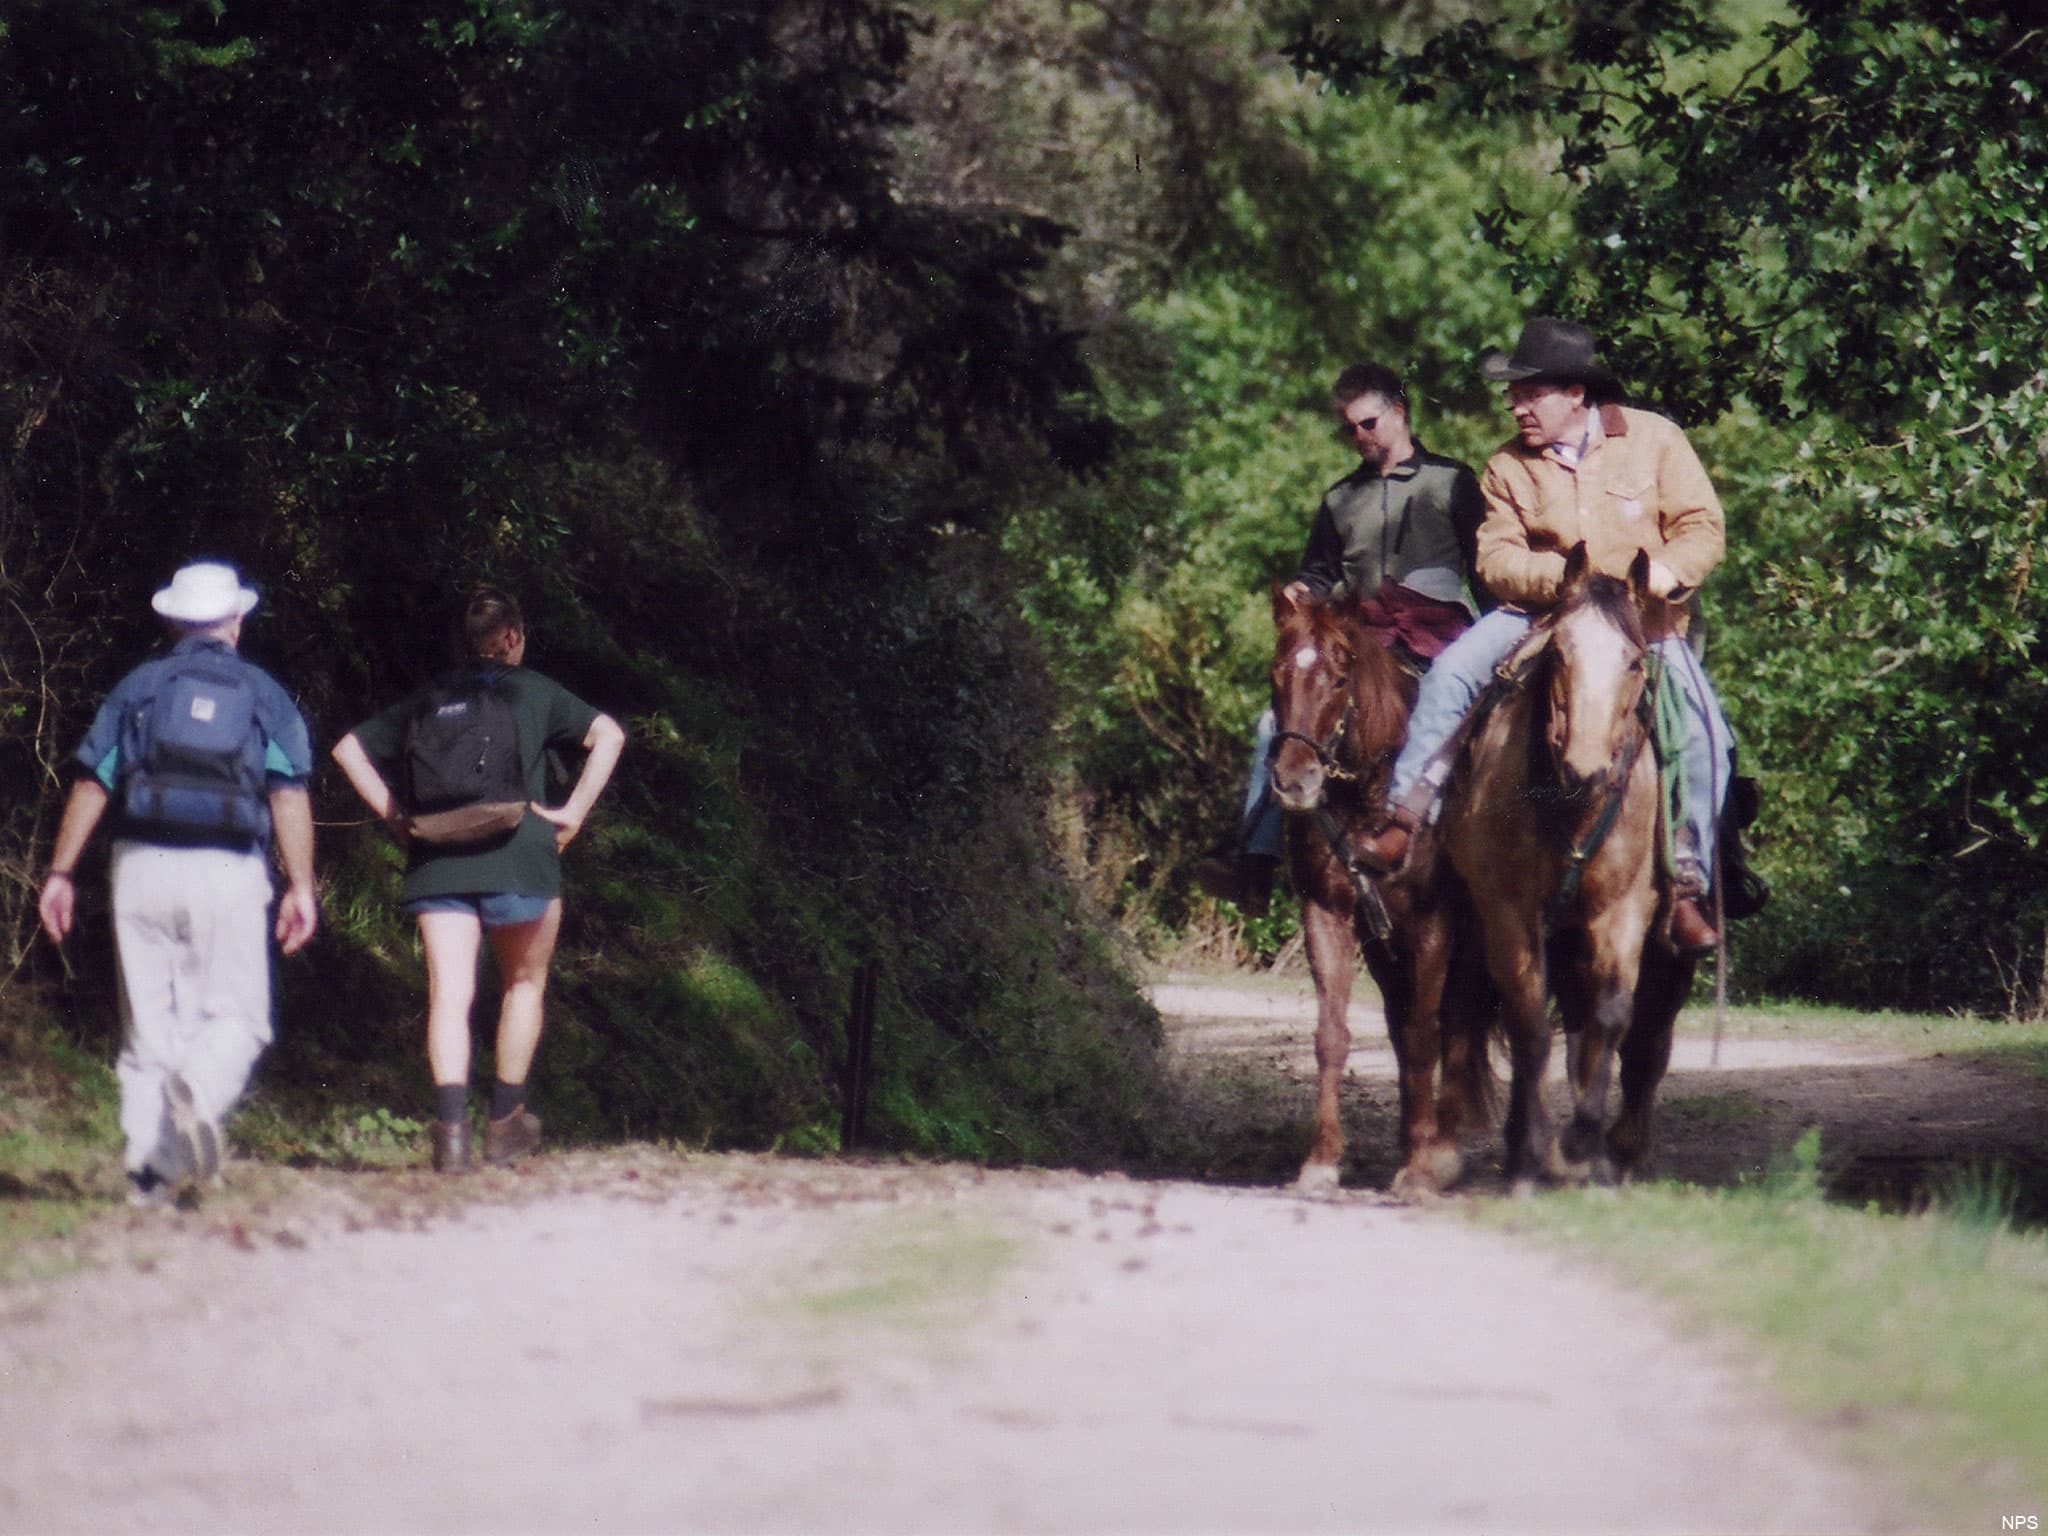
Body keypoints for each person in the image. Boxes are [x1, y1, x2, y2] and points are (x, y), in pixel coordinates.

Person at [1353, 318, 1733, 954]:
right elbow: (1495, 558)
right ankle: (1406, 818)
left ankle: (1688, 881)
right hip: (1539, 617)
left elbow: (1703, 528)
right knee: (1449, 675)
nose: (1515, 406)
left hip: (1646, 625)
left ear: (1575, 393)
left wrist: (1660, 575)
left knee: (1706, 733)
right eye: (1514, 395)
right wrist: (1564, 580)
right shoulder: (1506, 467)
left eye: (1529, 393)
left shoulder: (1656, 440)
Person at [37, 561, 320, 1206]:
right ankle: (195, 1090)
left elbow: (93, 780)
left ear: (171, 619)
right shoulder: (263, 693)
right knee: (238, 1020)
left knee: (147, 1034)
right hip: (226, 870)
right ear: (236, 620)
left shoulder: (139, 687)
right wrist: (301, 884)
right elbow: (288, 792)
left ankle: (149, 1178)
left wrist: (60, 873)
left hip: (138, 864)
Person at [331, 588, 625, 1173]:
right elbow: (609, 736)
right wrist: (573, 812)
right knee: (523, 985)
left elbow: (347, 749)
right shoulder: (537, 690)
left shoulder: (429, 698)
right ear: (511, 636)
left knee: (450, 995)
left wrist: (396, 818)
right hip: (523, 858)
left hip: (438, 860)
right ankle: (505, 1123)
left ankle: (450, 1136)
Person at [1197, 361, 1489, 913]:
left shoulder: (1452, 482)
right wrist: (1299, 593)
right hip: (1362, 645)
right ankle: (1255, 861)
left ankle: (1488, 857)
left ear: (1399, 414)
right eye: (1350, 429)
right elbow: (1319, 574)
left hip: (1436, 640)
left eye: (1369, 423)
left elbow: (1484, 571)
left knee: (1479, 722)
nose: (1360, 437)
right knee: (1274, 723)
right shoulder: (1339, 500)